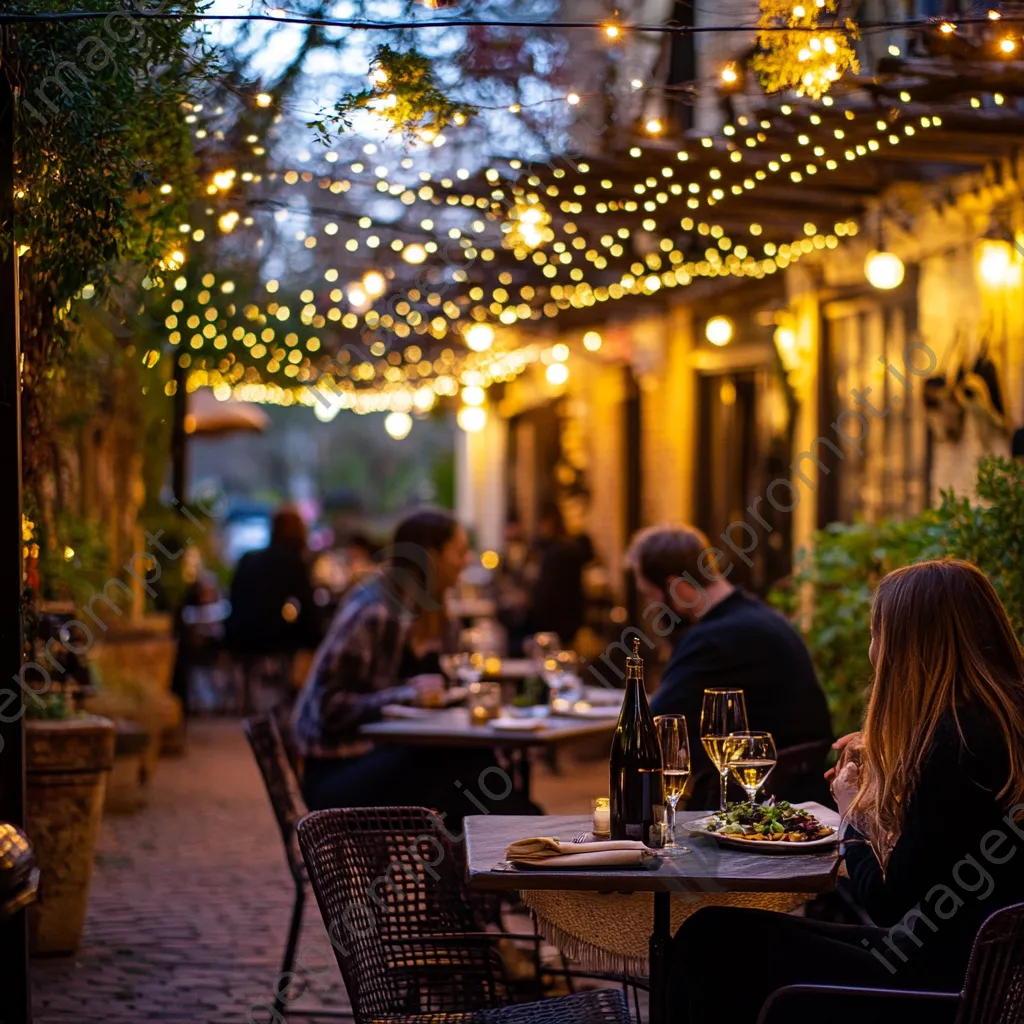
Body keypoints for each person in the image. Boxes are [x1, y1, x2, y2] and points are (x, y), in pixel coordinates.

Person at [668, 558, 1024, 1023]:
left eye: (878, 635)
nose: (873, 649)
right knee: (713, 931)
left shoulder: (955, 744)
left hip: (937, 983)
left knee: (711, 942)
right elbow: (941, 858)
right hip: (978, 962)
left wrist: (852, 811)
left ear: (909, 646)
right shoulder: (999, 721)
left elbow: (886, 902)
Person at [292, 507, 540, 822]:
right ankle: (516, 833)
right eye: (459, 552)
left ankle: (512, 833)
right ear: (431, 555)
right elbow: (329, 708)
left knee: (470, 758)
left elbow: (442, 688)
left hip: (391, 754)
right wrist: (404, 695)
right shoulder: (376, 611)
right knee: (449, 771)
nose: (467, 561)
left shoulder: (437, 612)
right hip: (337, 769)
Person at [627, 524, 832, 806]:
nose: (652, 609)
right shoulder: (758, 618)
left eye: (651, 597)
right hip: (796, 791)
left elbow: (649, 727)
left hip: (758, 804)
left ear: (678, 588)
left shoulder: (714, 638)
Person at [522, 502, 594, 648]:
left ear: (549, 523)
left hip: (554, 622)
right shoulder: (569, 547)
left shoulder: (555, 552)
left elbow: (546, 594)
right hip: (572, 620)